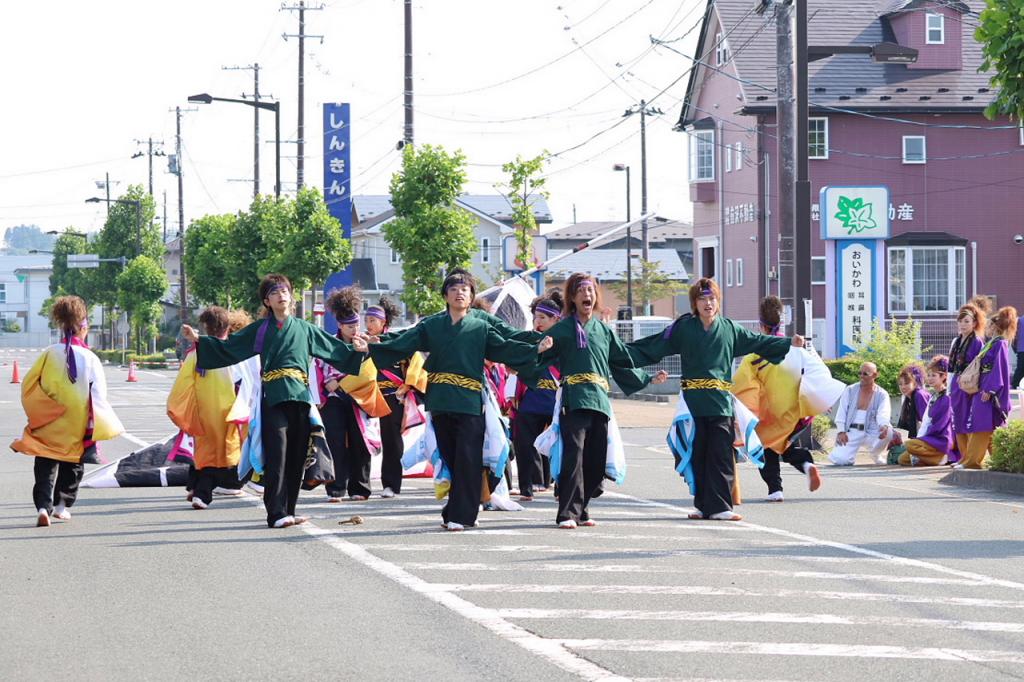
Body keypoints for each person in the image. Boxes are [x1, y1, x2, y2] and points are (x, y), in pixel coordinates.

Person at [181, 274, 368, 529]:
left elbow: (335, 351)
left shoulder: (305, 329)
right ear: (267, 301)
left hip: (301, 397)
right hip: (274, 398)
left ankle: (288, 510)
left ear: (291, 296)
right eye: (275, 292)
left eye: (285, 291)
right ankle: (276, 513)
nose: (282, 295)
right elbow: (231, 347)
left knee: (297, 455)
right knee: (277, 455)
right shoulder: (261, 330)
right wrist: (199, 341)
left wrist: (356, 351)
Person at [367, 268, 541, 531]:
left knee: (468, 458)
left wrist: (535, 347)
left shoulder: (481, 325)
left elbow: (506, 346)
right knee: (449, 456)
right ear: (445, 296)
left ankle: (461, 514)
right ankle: (457, 510)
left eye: (465, 290)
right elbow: (405, 340)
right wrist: (372, 344)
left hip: (470, 402)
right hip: (440, 401)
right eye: (454, 289)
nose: (460, 293)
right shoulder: (432, 325)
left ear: (471, 296)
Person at [627, 279, 801, 521]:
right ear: (694, 303)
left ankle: (720, 506)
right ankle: (701, 505)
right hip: (693, 402)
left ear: (718, 302)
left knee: (720, 454)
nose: (708, 303)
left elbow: (758, 341)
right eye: (702, 299)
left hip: (719, 402)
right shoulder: (683, 328)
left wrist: (787, 343)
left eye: (712, 299)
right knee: (698, 452)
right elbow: (654, 344)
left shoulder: (729, 328)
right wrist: (618, 352)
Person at [536, 273, 667, 528]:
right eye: (582, 290)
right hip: (573, 400)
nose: (588, 295)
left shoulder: (603, 331)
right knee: (573, 457)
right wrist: (539, 351)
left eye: (591, 290)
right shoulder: (561, 329)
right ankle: (567, 513)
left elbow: (622, 360)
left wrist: (647, 378)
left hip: (599, 401)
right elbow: (539, 359)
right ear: (572, 297)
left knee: (595, 459)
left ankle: (582, 509)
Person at [12, 295, 124, 527]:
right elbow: (99, 394)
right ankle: (61, 506)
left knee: (45, 461)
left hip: (49, 419)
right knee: (73, 463)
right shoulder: (90, 358)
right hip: (77, 420)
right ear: (83, 327)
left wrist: (38, 410)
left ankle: (43, 506)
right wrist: (99, 422)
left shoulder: (49, 353)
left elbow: (30, 385)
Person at [732, 295, 822, 502]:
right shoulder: (795, 346)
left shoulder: (756, 354)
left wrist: (742, 411)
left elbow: (743, 385)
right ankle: (806, 464)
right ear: (781, 321)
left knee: (764, 447)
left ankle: (775, 489)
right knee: (781, 444)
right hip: (793, 411)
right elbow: (815, 371)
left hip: (767, 412)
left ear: (761, 325)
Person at [167, 306, 250, 510]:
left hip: (203, 412)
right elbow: (244, 383)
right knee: (224, 455)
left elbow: (184, 384)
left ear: (205, 328)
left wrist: (186, 409)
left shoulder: (194, 355)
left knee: (204, 452)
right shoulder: (233, 353)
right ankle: (203, 494)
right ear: (228, 327)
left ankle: (195, 488)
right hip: (229, 413)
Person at [315, 286, 389, 502]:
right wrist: (329, 382)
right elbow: (320, 364)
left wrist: (369, 349)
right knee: (335, 442)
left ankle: (360, 488)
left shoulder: (366, 342)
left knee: (361, 442)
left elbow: (373, 366)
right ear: (339, 325)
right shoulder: (329, 341)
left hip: (360, 397)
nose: (354, 328)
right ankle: (336, 488)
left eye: (356, 324)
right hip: (335, 398)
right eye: (349, 325)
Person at [363, 296, 426, 499]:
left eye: (373, 320)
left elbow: (416, 363)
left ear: (384, 323)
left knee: (391, 440)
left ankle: (390, 484)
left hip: (392, 396)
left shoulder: (397, 342)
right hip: (367, 397)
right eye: (367, 320)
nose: (369, 324)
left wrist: (407, 385)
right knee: (363, 439)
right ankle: (356, 483)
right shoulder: (362, 343)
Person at [512, 290, 563, 501]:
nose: (537, 321)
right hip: (531, 402)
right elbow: (516, 367)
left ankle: (561, 486)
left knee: (561, 445)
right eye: (535, 318)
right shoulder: (529, 341)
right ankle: (526, 487)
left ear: (555, 319)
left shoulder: (564, 341)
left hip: (556, 402)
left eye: (542, 317)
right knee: (523, 443)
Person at [955, 306, 1018, 469]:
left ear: (995, 327)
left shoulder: (1000, 344)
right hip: (983, 387)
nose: (987, 328)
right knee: (990, 427)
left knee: (982, 425)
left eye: (990, 325)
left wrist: (990, 390)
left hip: (988, 391)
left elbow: (1000, 369)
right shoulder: (993, 343)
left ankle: (972, 461)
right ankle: (1000, 461)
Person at [829, 362, 891, 466]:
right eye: (860, 373)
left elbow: (883, 412)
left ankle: (875, 454)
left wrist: (883, 426)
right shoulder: (850, 390)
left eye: (865, 374)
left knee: (889, 431)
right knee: (841, 461)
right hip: (851, 432)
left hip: (871, 431)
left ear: (875, 375)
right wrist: (841, 431)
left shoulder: (882, 394)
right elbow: (842, 411)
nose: (861, 376)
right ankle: (846, 453)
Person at [948, 303, 987, 467]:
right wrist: (949, 387)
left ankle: (970, 459)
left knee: (967, 421)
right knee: (957, 420)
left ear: (974, 323)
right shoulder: (956, 341)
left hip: (970, 385)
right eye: (961, 321)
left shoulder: (977, 342)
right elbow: (951, 366)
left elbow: (979, 366)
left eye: (967, 321)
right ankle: (963, 457)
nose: (963, 325)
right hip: (957, 384)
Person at [900, 355, 954, 466]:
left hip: (941, 439)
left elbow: (941, 425)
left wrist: (924, 439)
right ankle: (934, 459)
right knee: (902, 459)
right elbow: (925, 422)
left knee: (910, 445)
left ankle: (941, 457)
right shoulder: (934, 396)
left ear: (944, 376)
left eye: (933, 375)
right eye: (928, 375)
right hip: (930, 438)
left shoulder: (947, 397)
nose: (929, 378)